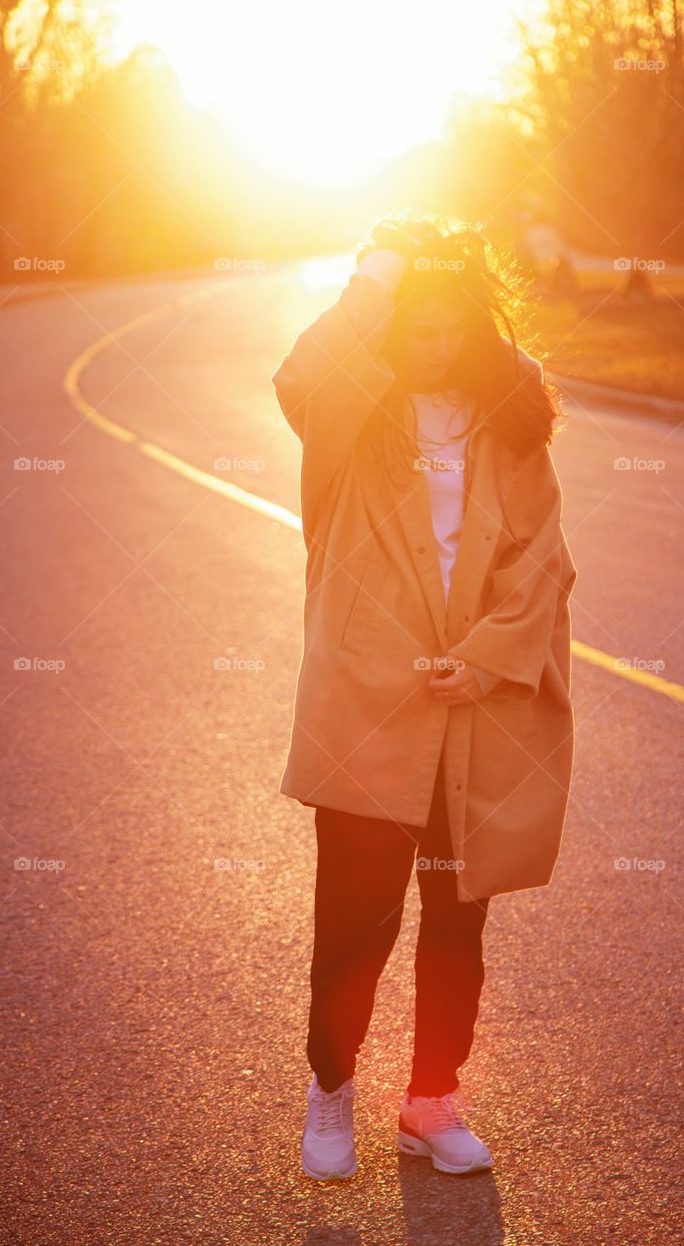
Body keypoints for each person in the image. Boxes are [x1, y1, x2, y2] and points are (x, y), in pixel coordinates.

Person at [272, 212, 578, 1181]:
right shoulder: (348, 416)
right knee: (356, 919)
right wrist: (374, 274)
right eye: (415, 323)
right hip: (367, 699)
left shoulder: (509, 424)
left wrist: (485, 657)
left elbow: (541, 558)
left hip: (475, 708)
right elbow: (308, 370)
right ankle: (331, 1087)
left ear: (476, 328)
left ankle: (429, 1098)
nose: (433, 344)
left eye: (451, 326)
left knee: (457, 920)